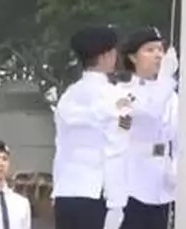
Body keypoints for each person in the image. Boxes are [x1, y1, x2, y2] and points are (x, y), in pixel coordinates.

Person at [51, 25, 129, 229]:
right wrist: (117, 202)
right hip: (98, 192)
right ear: (105, 56)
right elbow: (119, 147)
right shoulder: (120, 99)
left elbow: (61, 147)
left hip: (66, 191)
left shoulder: (67, 97)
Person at [119, 26, 180, 229]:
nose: (158, 55)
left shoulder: (172, 97)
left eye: (160, 49)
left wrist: (176, 168)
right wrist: (166, 81)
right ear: (133, 57)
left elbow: (179, 139)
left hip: (163, 182)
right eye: (150, 50)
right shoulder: (123, 92)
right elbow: (146, 114)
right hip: (132, 182)